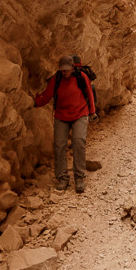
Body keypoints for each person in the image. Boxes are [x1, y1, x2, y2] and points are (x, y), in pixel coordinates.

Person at [34, 54, 95, 193]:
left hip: (80, 113)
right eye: (62, 70)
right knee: (59, 145)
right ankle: (63, 178)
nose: (65, 72)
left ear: (73, 68)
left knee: (78, 141)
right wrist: (35, 102)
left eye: (67, 69)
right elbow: (47, 95)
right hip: (61, 116)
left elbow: (90, 94)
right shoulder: (57, 79)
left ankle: (79, 178)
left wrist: (92, 112)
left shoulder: (81, 77)